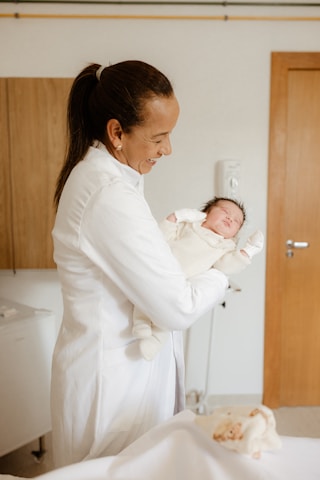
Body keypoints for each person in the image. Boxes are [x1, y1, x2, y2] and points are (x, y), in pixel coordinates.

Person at [51, 60, 229, 468]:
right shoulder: (107, 193)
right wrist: (221, 270)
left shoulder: (108, 179)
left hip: (121, 373)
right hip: (111, 385)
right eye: (159, 137)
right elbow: (176, 306)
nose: (168, 149)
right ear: (117, 133)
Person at [132, 197, 264, 360]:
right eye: (225, 212)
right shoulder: (188, 226)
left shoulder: (225, 246)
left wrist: (248, 251)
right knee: (144, 292)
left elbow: (226, 266)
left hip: (181, 281)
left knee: (166, 314)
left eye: (237, 221)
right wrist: (176, 217)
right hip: (161, 267)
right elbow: (161, 236)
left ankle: (154, 342)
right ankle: (140, 324)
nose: (230, 218)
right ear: (205, 213)